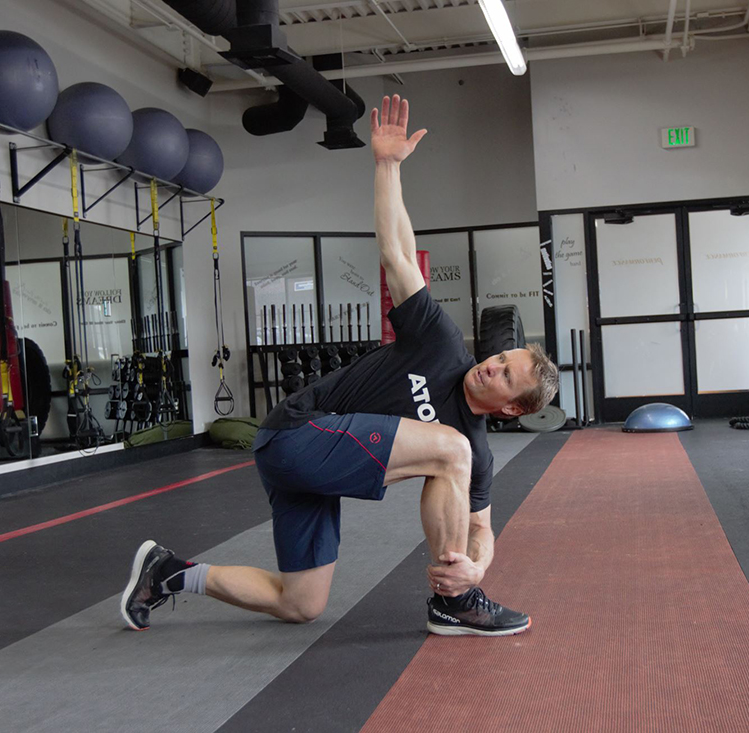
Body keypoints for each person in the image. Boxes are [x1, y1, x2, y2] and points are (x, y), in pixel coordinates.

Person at [121, 94, 559, 636]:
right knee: (449, 448)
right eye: (498, 357)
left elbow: (479, 526)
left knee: (301, 603)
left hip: (312, 475)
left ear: (513, 409)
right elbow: (398, 253)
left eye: (505, 375)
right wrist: (386, 166)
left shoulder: (478, 454)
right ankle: (455, 604)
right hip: (294, 432)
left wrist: (477, 562)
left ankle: (168, 574)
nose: (491, 366)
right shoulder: (441, 345)